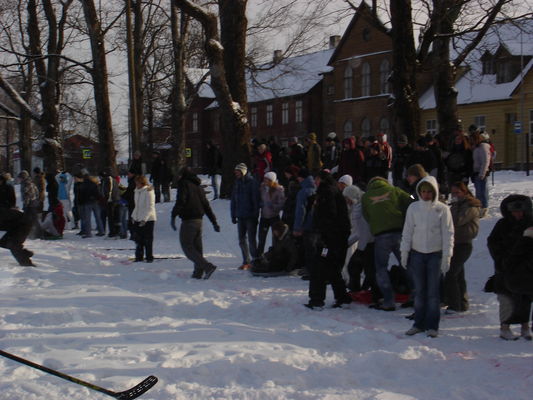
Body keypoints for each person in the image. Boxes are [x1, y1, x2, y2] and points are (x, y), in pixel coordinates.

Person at [401, 176, 454, 338]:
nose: (426, 195)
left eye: (429, 191)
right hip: (417, 254)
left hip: (435, 255)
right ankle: (418, 323)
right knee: (419, 291)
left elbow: (448, 233)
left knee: (433, 293)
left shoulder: (443, 209)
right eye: (423, 191)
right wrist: (404, 252)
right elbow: (407, 231)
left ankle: (432, 325)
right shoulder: (413, 208)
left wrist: (447, 256)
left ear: (434, 192)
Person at [362, 176, 413, 311]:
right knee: (407, 264)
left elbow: (366, 215)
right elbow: (410, 200)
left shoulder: (366, 196)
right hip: (398, 232)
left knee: (381, 268)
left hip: (380, 235)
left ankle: (389, 300)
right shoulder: (394, 190)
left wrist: (376, 224)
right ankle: (415, 294)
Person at [487, 194, 533, 340]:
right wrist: (501, 260)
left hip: (526, 269)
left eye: (520, 211)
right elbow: (492, 243)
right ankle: (505, 327)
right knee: (506, 298)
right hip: (506, 268)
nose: (517, 214)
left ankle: (525, 326)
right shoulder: (502, 224)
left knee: (525, 298)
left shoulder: (530, 223)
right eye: (514, 211)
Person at [305, 171, 352, 309]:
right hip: (338, 237)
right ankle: (342, 298)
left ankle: (317, 300)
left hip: (329, 238)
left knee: (318, 268)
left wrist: (324, 234)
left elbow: (329, 215)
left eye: (316, 179)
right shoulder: (335, 191)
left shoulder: (326, 192)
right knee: (333, 268)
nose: (315, 182)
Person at [171, 168, 220, 279]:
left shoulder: (184, 184)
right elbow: (206, 205)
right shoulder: (198, 186)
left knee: (187, 246)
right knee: (197, 248)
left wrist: (173, 215)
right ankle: (198, 272)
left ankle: (207, 267)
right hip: (199, 221)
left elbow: (181, 200)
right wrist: (214, 222)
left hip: (189, 220)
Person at [443, 182, 480, 313]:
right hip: (455, 243)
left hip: (464, 243)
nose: (455, 196)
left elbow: (457, 220)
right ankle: (462, 302)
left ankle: (455, 304)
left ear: (464, 192)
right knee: (458, 274)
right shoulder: (456, 205)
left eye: (457, 193)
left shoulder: (469, 206)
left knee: (451, 273)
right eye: (453, 193)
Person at [343, 184, 376, 297]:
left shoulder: (359, 208)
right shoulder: (360, 205)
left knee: (360, 267)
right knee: (361, 267)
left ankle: (363, 290)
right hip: (368, 242)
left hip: (368, 243)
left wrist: (346, 243)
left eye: (347, 199)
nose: (347, 202)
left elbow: (359, 232)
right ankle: (359, 288)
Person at [503, 226, 533, 340]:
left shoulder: (520, 243)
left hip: (516, 280)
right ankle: (520, 328)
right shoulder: (527, 245)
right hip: (522, 280)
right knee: (520, 305)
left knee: (520, 305)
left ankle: (522, 328)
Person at [230, 163, 260, 270]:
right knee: (241, 239)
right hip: (240, 215)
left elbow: (255, 199)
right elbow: (234, 200)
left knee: (252, 239)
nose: (236, 173)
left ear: (243, 171)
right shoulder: (237, 183)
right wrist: (233, 214)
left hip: (250, 216)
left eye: (238, 171)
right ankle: (246, 260)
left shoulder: (252, 183)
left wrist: (255, 214)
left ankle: (255, 260)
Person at [0, 174, 34, 266]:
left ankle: (27, 265)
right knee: (3, 242)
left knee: (13, 245)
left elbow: (11, 201)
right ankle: (26, 253)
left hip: (24, 224)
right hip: (15, 224)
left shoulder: (8, 188)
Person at [257, 171, 285, 256]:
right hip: (264, 216)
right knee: (261, 239)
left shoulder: (278, 190)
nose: (265, 181)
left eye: (267, 179)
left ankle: (275, 255)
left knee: (276, 238)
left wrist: (272, 206)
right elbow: (260, 199)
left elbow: (281, 204)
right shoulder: (262, 188)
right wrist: (260, 204)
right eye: (264, 179)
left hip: (274, 217)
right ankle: (259, 256)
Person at [131, 175, 156, 263]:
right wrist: (133, 216)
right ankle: (139, 256)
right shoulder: (137, 191)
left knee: (148, 239)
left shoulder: (148, 191)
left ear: (142, 183)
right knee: (138, 239)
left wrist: (144, 219)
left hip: (148, 219)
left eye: (137, 183)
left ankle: (149, 257)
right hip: (138, 218)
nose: (136, 184)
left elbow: (150, 206)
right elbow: (137, 206)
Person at [78, 173, 105, 238]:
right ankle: (101, 231)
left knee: (87, 219)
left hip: (87, 203)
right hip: (95, 202)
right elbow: (98, 193)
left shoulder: (83, 185)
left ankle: (88, 233)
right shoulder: (94, 184)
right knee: (98, 218)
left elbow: (81, 196)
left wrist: (81, 202)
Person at [471, 131, 491, 217]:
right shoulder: (476, 148)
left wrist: (482, 173)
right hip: (476, 172)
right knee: (478, 192)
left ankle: (484, 208)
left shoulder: (483, 147)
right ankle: (480, 207)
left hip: (481, 172)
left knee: (482, 192)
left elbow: (486, 161)